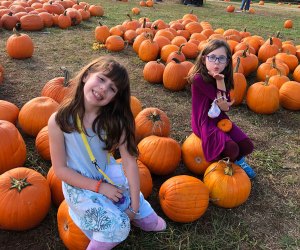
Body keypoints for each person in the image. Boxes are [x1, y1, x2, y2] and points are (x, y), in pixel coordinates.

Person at [48, 56, 166, 250]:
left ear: (115, 97)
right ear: (86, 76)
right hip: (78, 184)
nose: (103, 88)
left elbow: (129, 163)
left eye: (112, 88)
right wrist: (100, 188)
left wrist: (134, 208)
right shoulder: (59, 121)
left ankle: (140, 215)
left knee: (132, 197)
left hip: (105, 173)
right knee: (116, 225)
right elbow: (60, 170)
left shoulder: (115, 122)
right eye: (102, 79)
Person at [187, 39, 256, 179]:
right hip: (203, 121)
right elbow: (223, 104)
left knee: (247, 145)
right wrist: (219, 82)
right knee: (232, 148)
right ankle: (230, 162)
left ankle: (237, 160)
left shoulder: (224, 78)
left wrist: (220, 81)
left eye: (221, 58)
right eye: (212, 57)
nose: (216, 62)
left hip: (220, 119)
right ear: (203, 59)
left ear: (227, 62)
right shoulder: (198, 79)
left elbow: (225, 107)